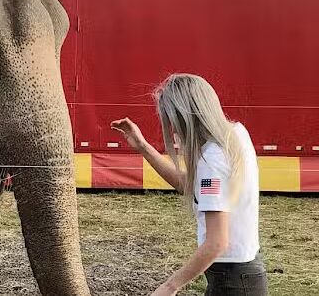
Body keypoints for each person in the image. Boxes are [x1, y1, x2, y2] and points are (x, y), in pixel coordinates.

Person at [111, 73, 268, 296]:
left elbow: (217, 242)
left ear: (185, 117)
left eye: (172, 120)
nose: (172, 130)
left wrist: (170, 286)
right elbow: (191, 186)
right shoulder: (236, 135)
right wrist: (143, 147)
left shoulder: (212, 161)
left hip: (232, 281)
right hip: (243, 275)